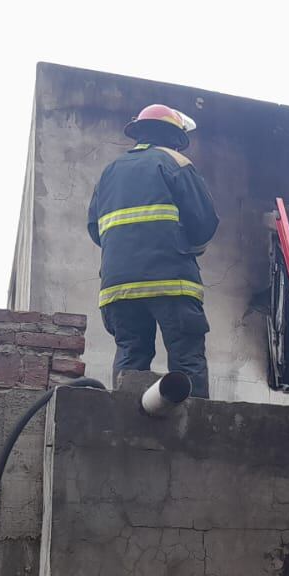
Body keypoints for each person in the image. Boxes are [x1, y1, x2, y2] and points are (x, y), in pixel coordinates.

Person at [87, 104, 220, 395]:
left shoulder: (110, 171)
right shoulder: (175, 162)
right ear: (175, 137)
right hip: (172, 280)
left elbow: (95, 228)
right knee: (187, 358)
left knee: (131, 357)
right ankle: (193, 429)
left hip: (118, 287)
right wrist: (189, 247)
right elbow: (204, 221)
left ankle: (125, 427)